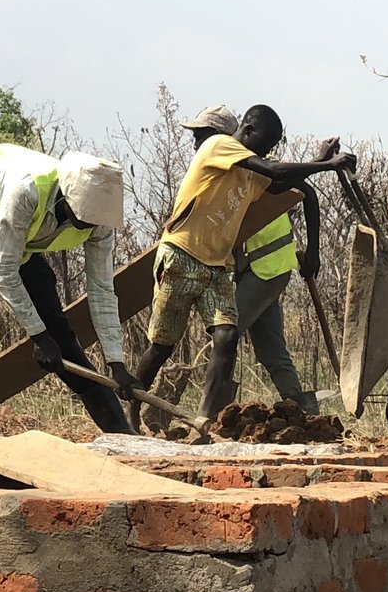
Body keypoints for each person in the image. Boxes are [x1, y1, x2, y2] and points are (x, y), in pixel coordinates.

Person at [128, 106, 354, 421]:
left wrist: (319, 162)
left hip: (219, 267)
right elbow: (275, 172)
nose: (267, 152)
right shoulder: (218, 145)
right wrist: (327, 165)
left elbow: (282, 181)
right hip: (181, 254)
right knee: (162, 346)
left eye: (270, 148)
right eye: (264, 145)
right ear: (245, 130)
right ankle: (131, 410)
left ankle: (205, 419)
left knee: (227, 336)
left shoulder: (250, 172)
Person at [0, 143, 134, 441]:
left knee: (59, 330)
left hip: (18, 232)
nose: (89, 226)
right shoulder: (27, 192)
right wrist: (38, 337)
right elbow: (2, 270)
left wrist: (115, 362)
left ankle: (119, 431)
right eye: (84, 217)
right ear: (67, 197)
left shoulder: (100, 223)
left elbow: (102, 290)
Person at [179, 105, 322, 415]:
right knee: (271, 348)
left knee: (224, 335)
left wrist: (313, 251)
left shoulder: (254, 169)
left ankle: (213, 411)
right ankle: (300, 405)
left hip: (267, 264)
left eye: (203, 137)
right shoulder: (229, 171)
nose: (197, 146)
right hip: (258, 269)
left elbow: (305, 191)